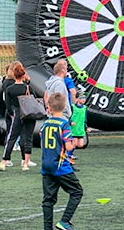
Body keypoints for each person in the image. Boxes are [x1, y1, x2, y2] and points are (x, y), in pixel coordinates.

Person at [41, 93, 83, 230]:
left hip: (46, 166)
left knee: (48, 200)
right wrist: (71, 147)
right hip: (60, 166)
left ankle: (47, 228)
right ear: (65, 107)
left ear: (49, 108)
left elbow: (42, 139)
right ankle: (64, 221)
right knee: (77, 191)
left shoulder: (45, 124)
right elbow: (69, 146)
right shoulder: (64, 124)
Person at [0, 62, 36, 171]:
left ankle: (4, 161)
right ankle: (25, 163)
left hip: (17, 114)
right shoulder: (27, 87)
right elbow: (33, 98)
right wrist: (28, 82)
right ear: (23, 75)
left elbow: (8, 104)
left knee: (12, 137)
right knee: (28, 138)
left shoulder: (10, 89)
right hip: (28, 113)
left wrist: (13, 114)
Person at [70, 92, 90, 169]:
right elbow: (68, 116)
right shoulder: (72, 107)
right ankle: (69, 156)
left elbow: (85, 119)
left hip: (80, 129)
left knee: (80, 145)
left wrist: (86, 127)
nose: (83, 100)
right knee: (74, 144)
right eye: (82, 98)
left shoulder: (85, 108)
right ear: (77, 99)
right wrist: (70, 122)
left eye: (84, 98)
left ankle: (69, 153)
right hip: (74, 129)